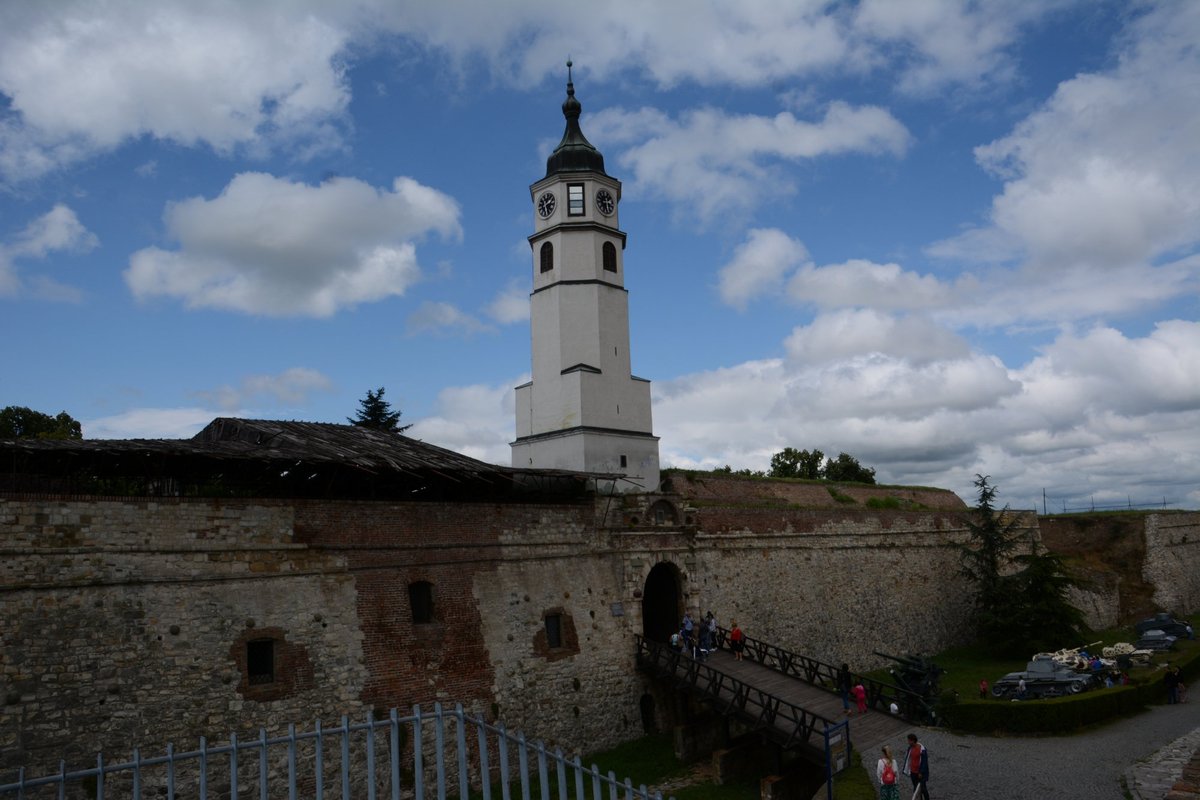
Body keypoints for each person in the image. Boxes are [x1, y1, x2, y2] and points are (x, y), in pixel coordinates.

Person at [903, 733, 929, 800]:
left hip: (920, 773)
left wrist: (921, 772)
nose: (908, 742)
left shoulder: (922, 749)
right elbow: (909, 759)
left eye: (909, 740)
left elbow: (924, 762)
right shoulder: (910, 748)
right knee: (915, 788)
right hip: (913, 772)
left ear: (913, 740)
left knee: (923, 788)